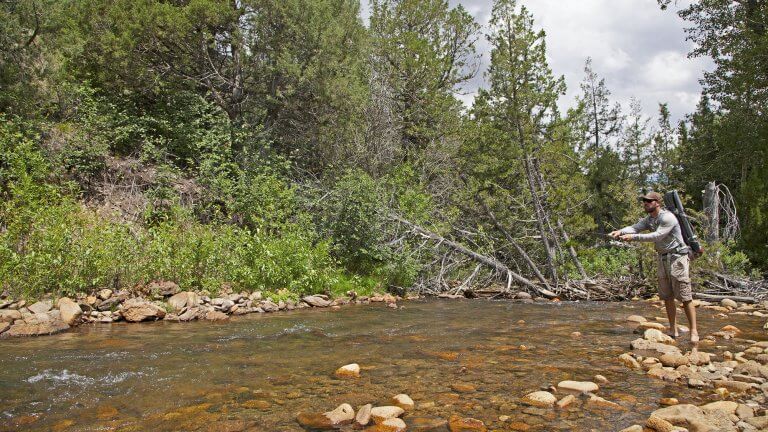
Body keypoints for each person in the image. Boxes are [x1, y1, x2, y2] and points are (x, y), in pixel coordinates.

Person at [609, 191, 699, 344]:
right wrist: (621, 231)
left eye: (649, 201)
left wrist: (633, 238)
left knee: (685, 296)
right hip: (662, 258)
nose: (646, 203)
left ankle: (694, 331)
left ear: (657, 203)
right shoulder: (649, 219)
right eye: (644, 201)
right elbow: (636, 227)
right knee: (667, 296)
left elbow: (657, 236)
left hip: (678, 258)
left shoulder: (667, 217)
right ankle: (673, 329)